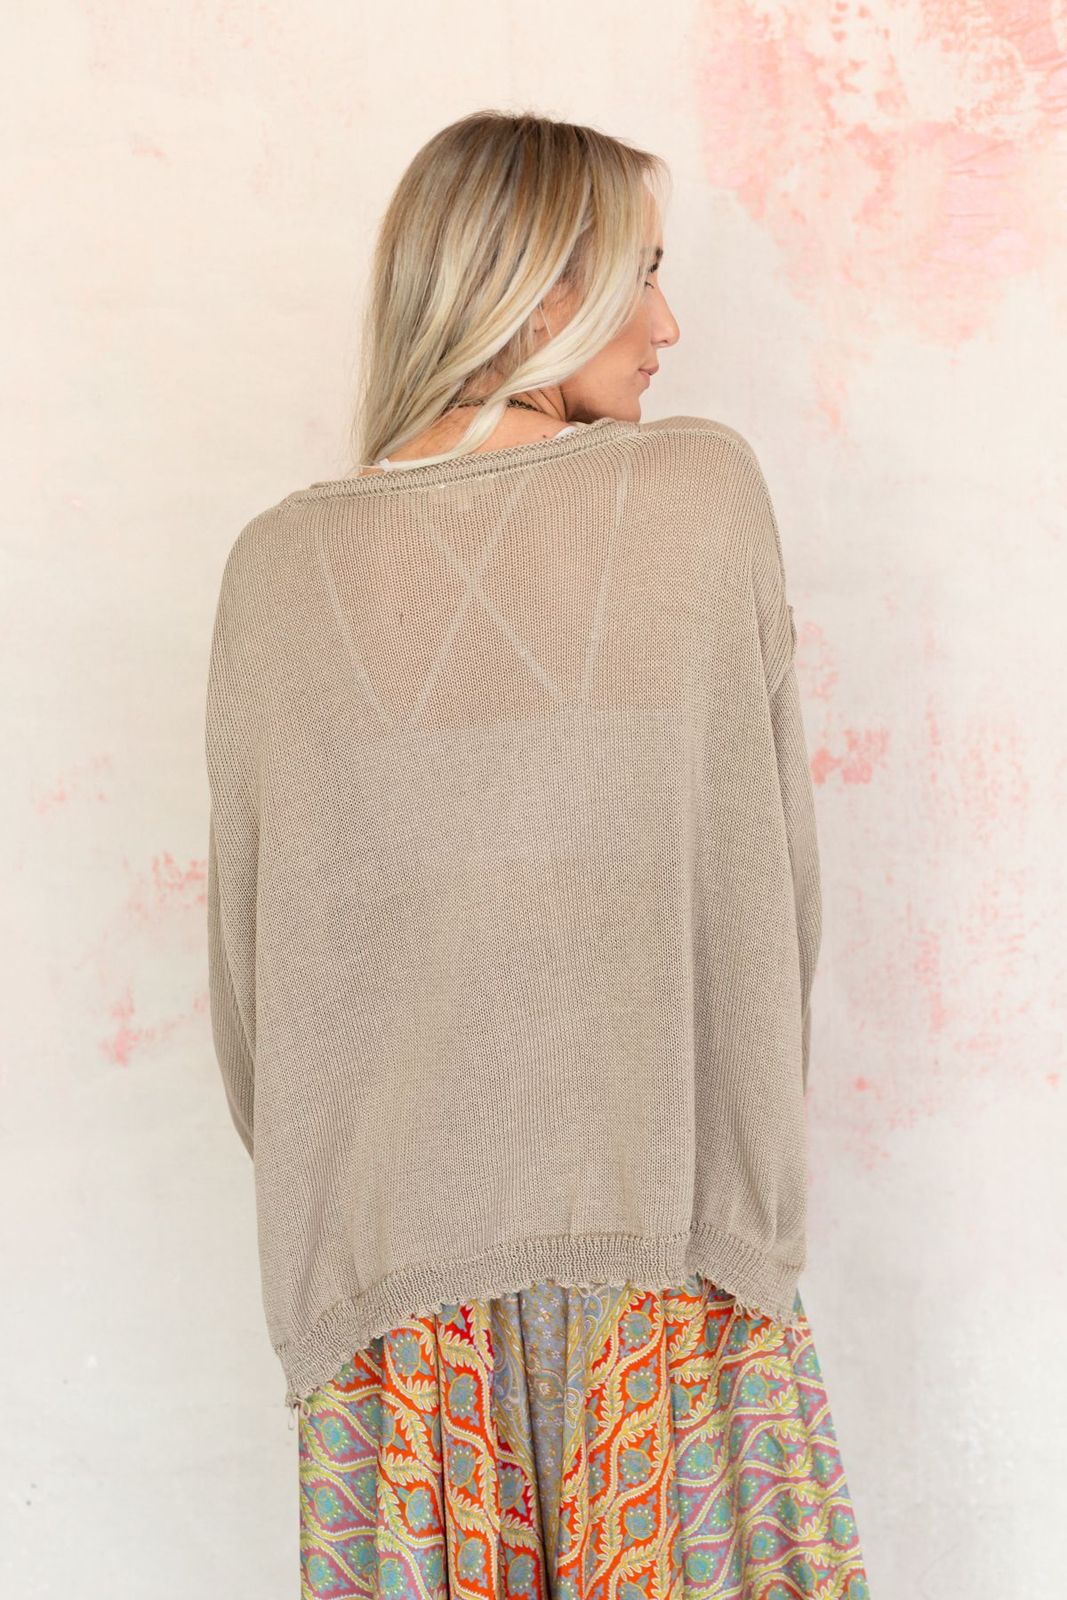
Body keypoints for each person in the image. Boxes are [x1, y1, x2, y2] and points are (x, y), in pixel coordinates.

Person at [205, 109, 871, 1598]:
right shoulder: (698, 496)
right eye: (643, 272)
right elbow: (774, 903)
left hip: (398, 1342)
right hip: (676, 1279)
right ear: (542, 288)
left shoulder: (276, 574)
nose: (668, 325)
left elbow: (257, 1009)